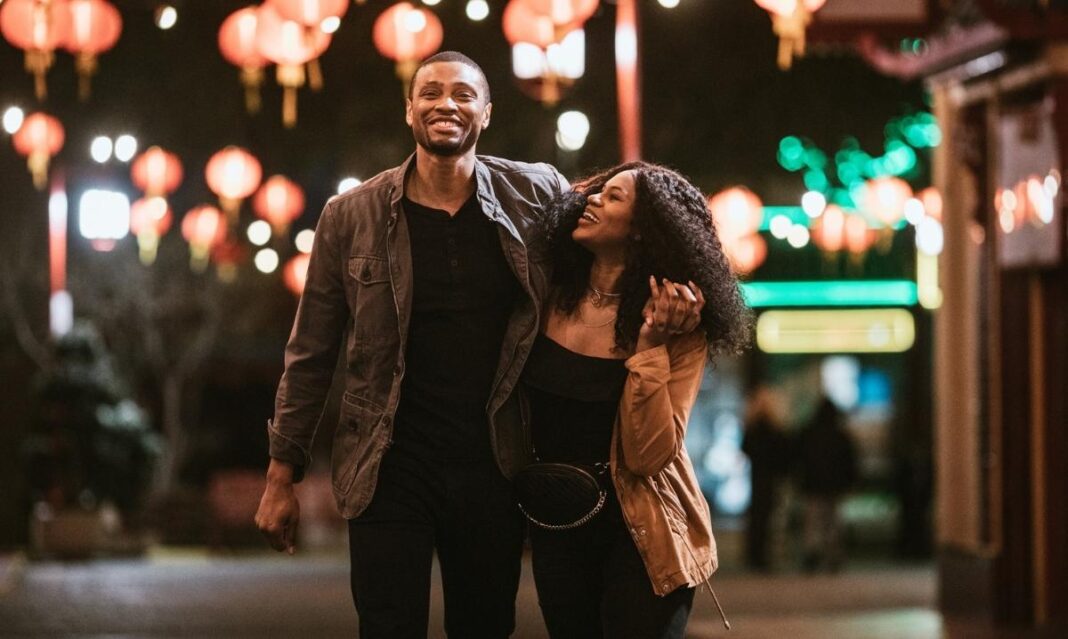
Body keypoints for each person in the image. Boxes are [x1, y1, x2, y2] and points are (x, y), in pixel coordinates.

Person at [253, 52, 569, 638]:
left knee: (484, 626)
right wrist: (280, 478)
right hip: (387, 463)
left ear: (487, 112)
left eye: (463, 94)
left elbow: (603, 272)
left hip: (494, 463)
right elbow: (310, 352)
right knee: (387, 625)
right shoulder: (351, 216)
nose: (445, 104)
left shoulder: (537, 195)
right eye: (430, 93)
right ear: (409, 110)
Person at [520, 162, 751, 637]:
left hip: (644, 527)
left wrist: (650, 347)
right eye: (597, 192)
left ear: (644, 230)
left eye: (614, 197)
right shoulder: (543, 297)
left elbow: (648, 457)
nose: (592, 200)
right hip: (558, 522)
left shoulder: (678, 327)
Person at [797, 395, 858, 573]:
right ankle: (833, 556)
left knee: (813, 522)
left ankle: (813, 554)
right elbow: (849, 462)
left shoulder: (809, 434)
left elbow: (800, 458)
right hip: (834, 486)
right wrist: (850, 482)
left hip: (813, 485)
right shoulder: (841, 435)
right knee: (833, 522)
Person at [741, 385, 790, 572]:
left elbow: (745, 448)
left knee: (757, 516)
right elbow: (784, 452)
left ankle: (755, 554)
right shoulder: (775, 428)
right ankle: (763, 555)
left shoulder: (752, 427)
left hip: (757, 476)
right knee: (768, 515)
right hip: (770, 478)